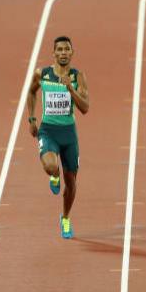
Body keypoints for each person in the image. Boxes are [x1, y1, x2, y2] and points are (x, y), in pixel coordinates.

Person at [27, 36, 89, 239]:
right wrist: (32, 118)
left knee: (71, 183)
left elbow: (85, 108)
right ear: (53, 53)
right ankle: (54, 176)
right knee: (52, 166)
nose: (63, 53)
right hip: (48, 130)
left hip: (69, 134)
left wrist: (70, 88)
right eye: (59, 49)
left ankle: (65, 218)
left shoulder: (77, 76)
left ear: (72, 53)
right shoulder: (42, 74)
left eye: (67, 49)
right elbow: (31, 91)